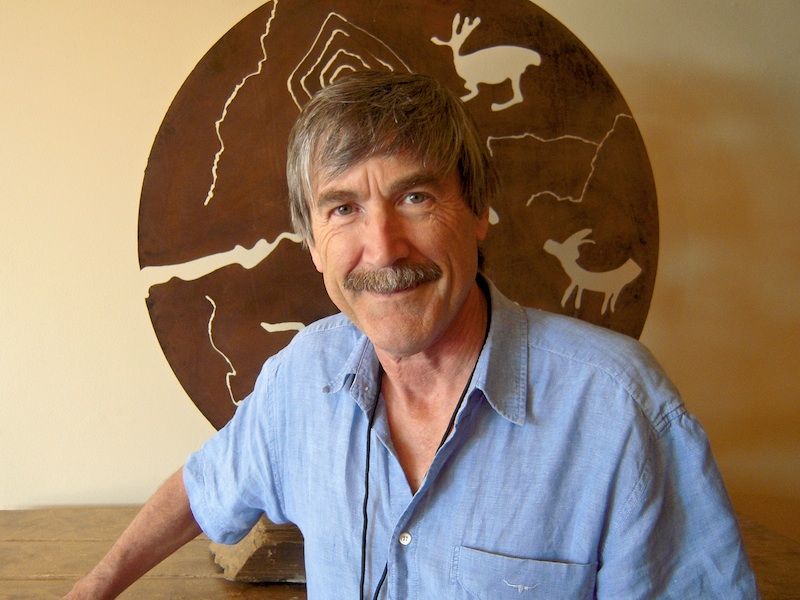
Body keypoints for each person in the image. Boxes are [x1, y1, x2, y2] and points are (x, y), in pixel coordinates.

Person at [65, 71, 758, 599]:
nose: (384, 248)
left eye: (415, 197)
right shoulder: (300, 378)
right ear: (313, 246)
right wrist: (94, 587)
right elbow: (203, 485)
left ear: (479, 211)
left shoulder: (621, 410)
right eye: (343, 208)